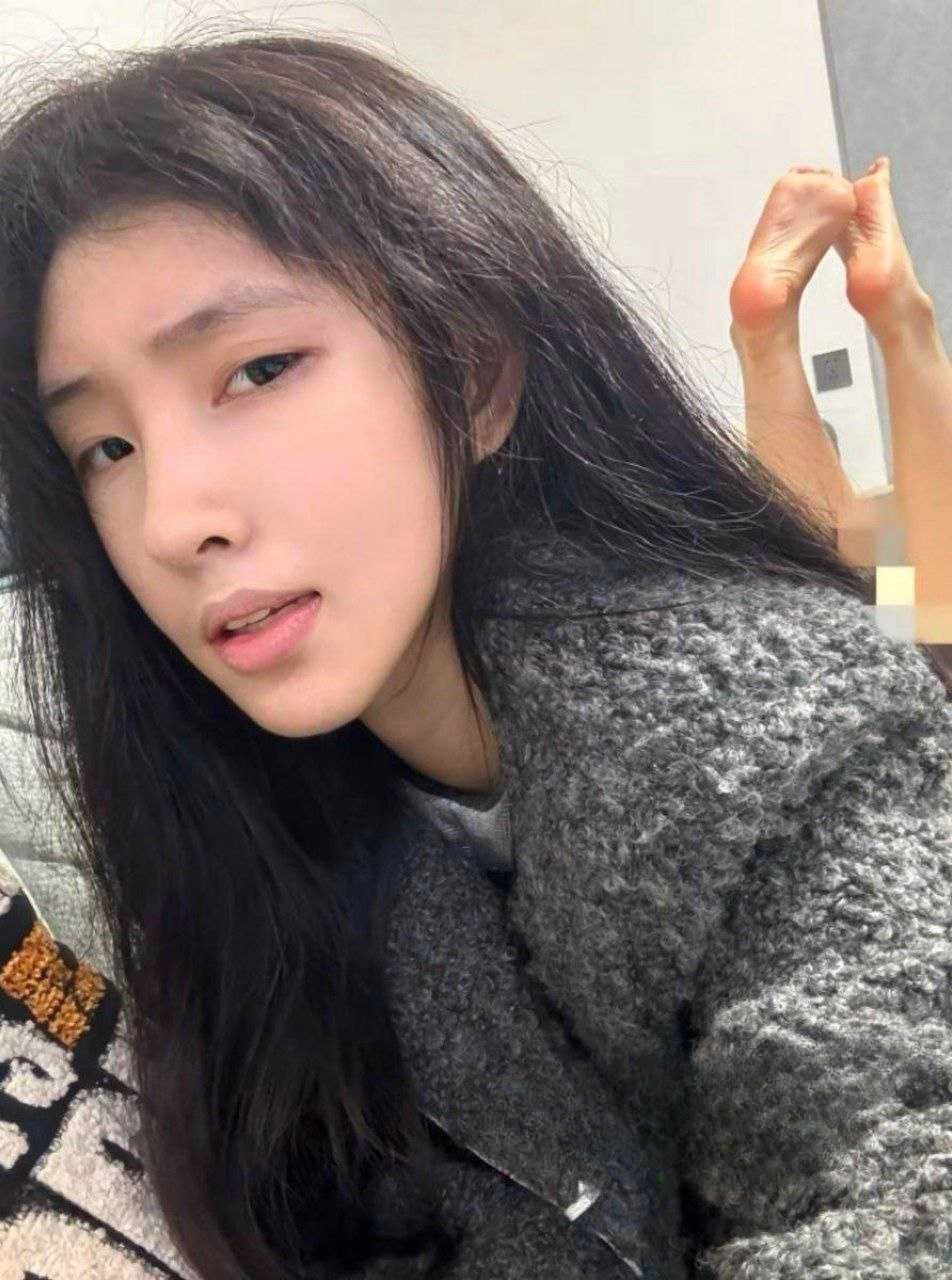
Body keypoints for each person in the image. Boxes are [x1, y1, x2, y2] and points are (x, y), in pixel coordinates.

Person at [0, 28, 949, 1280]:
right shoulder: (227, 824)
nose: (175, 520)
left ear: (477, 376)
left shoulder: (782, 738)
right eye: (107, 448)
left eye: (257, 370)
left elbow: (906, 1169)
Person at [729, 158, 952, 653]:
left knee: (864, 615)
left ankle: (771, 343)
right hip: (891, 676)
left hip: (861, 673)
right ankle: (896, 317)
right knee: (905, 607)